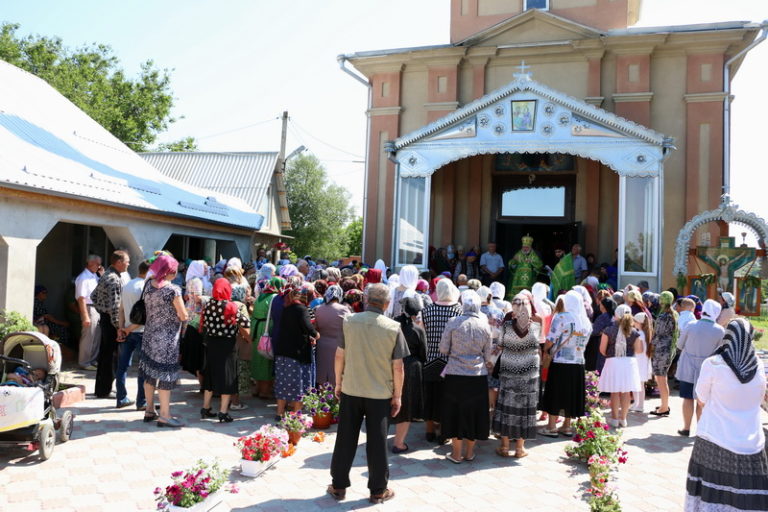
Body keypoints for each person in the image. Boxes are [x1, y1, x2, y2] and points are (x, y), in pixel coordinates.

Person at [328, 283, 408, 504]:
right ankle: (377, 490)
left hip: (352, 388)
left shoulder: (350, 322)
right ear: (387, 303)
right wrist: (398, 395)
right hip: (379, 393)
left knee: (345, 438)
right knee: (377, 442)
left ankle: (338, 486)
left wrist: (338, 383)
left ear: (366, 300)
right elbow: (398, 366)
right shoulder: (393, 327)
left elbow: (339, 356)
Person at [684, 318, 767, 511]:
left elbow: (701, 398)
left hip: (714, 439)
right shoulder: (759, 367)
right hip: (752, 443)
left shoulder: (713, 363)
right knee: (746, 499)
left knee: (711, 497)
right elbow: (759, 398)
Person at [439, 290, 493, 463]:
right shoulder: (484, 325)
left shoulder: (453, 322)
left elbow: (443, 348)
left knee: (455, 412)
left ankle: (456, 454)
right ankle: (469, 453)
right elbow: (488, 355)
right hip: (477, 375)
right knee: (474, 414)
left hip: (455, 374)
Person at [137, 255, 188, 427]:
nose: (175, 273)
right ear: (169, 271)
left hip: (149, 335)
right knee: (166, 376)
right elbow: (183, 315)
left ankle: (149, 410)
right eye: (173, 270)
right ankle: (165, 415)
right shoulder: (172, 290)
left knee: (150, 374)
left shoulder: (148, 285)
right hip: (167, 339)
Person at [492, 293, 540, 458]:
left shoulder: (506, 327)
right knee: (524, 410)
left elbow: (500, 346)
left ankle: (504, 447)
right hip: (527, 374)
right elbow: (535, 350)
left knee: (507, 408)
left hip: (509, 371)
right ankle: (519, 449)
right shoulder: (534, 327)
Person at [539, 290, 592, 437]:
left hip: (561, 361)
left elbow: (551, 339)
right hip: (578, 362)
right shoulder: (586, 321)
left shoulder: (562, 317)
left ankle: (551, 427)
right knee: (571, 394)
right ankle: (567, 426)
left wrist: (546, 350)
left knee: (554, 392)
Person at [200, 278, 251, 423]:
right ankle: (223, 411)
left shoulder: (209, 304)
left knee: (210, 374)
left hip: (211, 343)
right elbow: (245, 322)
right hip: (227, 345)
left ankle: (206, 407)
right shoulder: (231, 306)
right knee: (227, 378)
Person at [420, 279, 463, 443]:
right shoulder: (459, 311)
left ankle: (429, 431)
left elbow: (423, 335)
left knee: (430, 397)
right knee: (447, 398)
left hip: (430, 360)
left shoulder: (427, 310)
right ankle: (444, 432)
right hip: (450, 362)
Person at [675, 299, 725, 437]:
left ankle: (686, 428)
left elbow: (679, 345)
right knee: (702, 401)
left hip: (688, 367)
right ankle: (701, 430)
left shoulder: (691, 325)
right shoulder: (720, 330)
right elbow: (720, 352)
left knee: (687, 398)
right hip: (707, 369)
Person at [274, 283, 318, 417]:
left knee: (282, 384)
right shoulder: (302, 309)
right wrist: (316, 335)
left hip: (282, 352)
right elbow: (308, 327)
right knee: (298, 385)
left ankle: (280, 413)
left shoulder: (286, 309)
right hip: (297, 353)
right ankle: (296, 415)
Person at [91, 250, 131, 398]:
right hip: (111, 323)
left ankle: (101, 389)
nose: (129, 264)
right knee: (110, 357)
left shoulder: (106, 274)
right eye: (127, 261)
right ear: (119, 262)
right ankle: (105, 390)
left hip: (105, 320)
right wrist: (119, 327)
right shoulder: (113, 279)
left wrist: (101, 310)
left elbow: (93, 296)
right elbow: (115, 308)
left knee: (105, 355)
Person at [391, 295, 427, 454]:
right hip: (412, 368)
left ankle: (380, 439)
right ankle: (399, 443)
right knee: (406, 406)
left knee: (389, 401)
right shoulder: (417, 329)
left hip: (391, 365)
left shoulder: (392, 326)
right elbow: (423, 353)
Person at [598, 305, 642, 428]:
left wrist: (613, 355)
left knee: (615, 392)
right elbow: (639, 350)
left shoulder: (608, 330)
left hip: (613, 362)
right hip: (629, 363)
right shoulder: (634, 332)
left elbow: (602, 349)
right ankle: (623, 418)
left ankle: (614, 418)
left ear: (616, 314)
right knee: (626, 392)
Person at [115, 260, 149, 410]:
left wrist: (121, 328)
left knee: (122, 366)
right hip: (140, 331)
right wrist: (127, 329)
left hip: (128, 330)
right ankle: (141, 401)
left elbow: (121, 309)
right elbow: (144, 315)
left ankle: (121, 398)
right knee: (143, 368)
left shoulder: (127, 284)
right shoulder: (145, 287)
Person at [250, 276, 284, 398]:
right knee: (266, 359)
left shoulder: (260, 296)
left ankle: (257, 389)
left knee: (258, 358)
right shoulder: (274, 297)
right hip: (267, 329)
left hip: (257, 328)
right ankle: (265, 391)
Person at [649, 291, 679, 417]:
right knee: (663, 378)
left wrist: (651, 345)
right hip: (669, 348)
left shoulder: (663, 316)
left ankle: (664, 407)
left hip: (662, 350)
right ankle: (664, 404)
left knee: (661, 379)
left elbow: (658, 334)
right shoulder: (675, 314)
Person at [315, 285, 349, 386]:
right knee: (337, 373)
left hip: (321, 344)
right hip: (338, 345)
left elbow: (315, 327)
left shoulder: (319, 309)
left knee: (322, 373)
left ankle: (321, 399)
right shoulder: (344, 309)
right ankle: (335, 399)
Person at [75, 254, 102, 370]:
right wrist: (85, 316)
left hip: (96, 307)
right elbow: (81, 298)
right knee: (88, 336)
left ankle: (92, 360)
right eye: (98, 264)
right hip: (89, 307)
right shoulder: (83, 277)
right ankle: (84, 362)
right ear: (91, 263)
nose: (99, 266)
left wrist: (101, 274)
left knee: (96, 336)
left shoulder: (94, 276)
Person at [630, 311, 653, 413]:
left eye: (634, 321)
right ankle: (638, 404)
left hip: (638, 362)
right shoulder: (645, 334)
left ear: (639, 322)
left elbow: (638, 350)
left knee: (637, 384)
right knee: (640, 384)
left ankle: (639, 405)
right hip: (643, 361)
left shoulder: (639, 334)